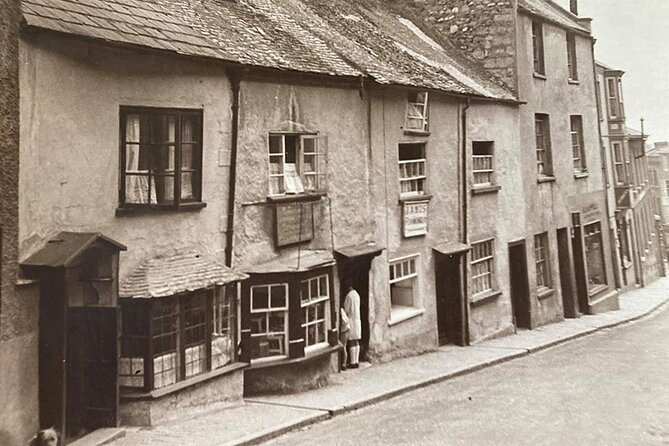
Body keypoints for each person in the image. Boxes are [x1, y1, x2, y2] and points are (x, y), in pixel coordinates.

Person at [343, 285, 362, 368]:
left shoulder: (349, 296)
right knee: (356, 340)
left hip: (351, 320)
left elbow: (346, 309)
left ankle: (352, 362)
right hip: (357, 319)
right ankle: (356, 360)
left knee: (351, 341)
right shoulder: (356, 294)